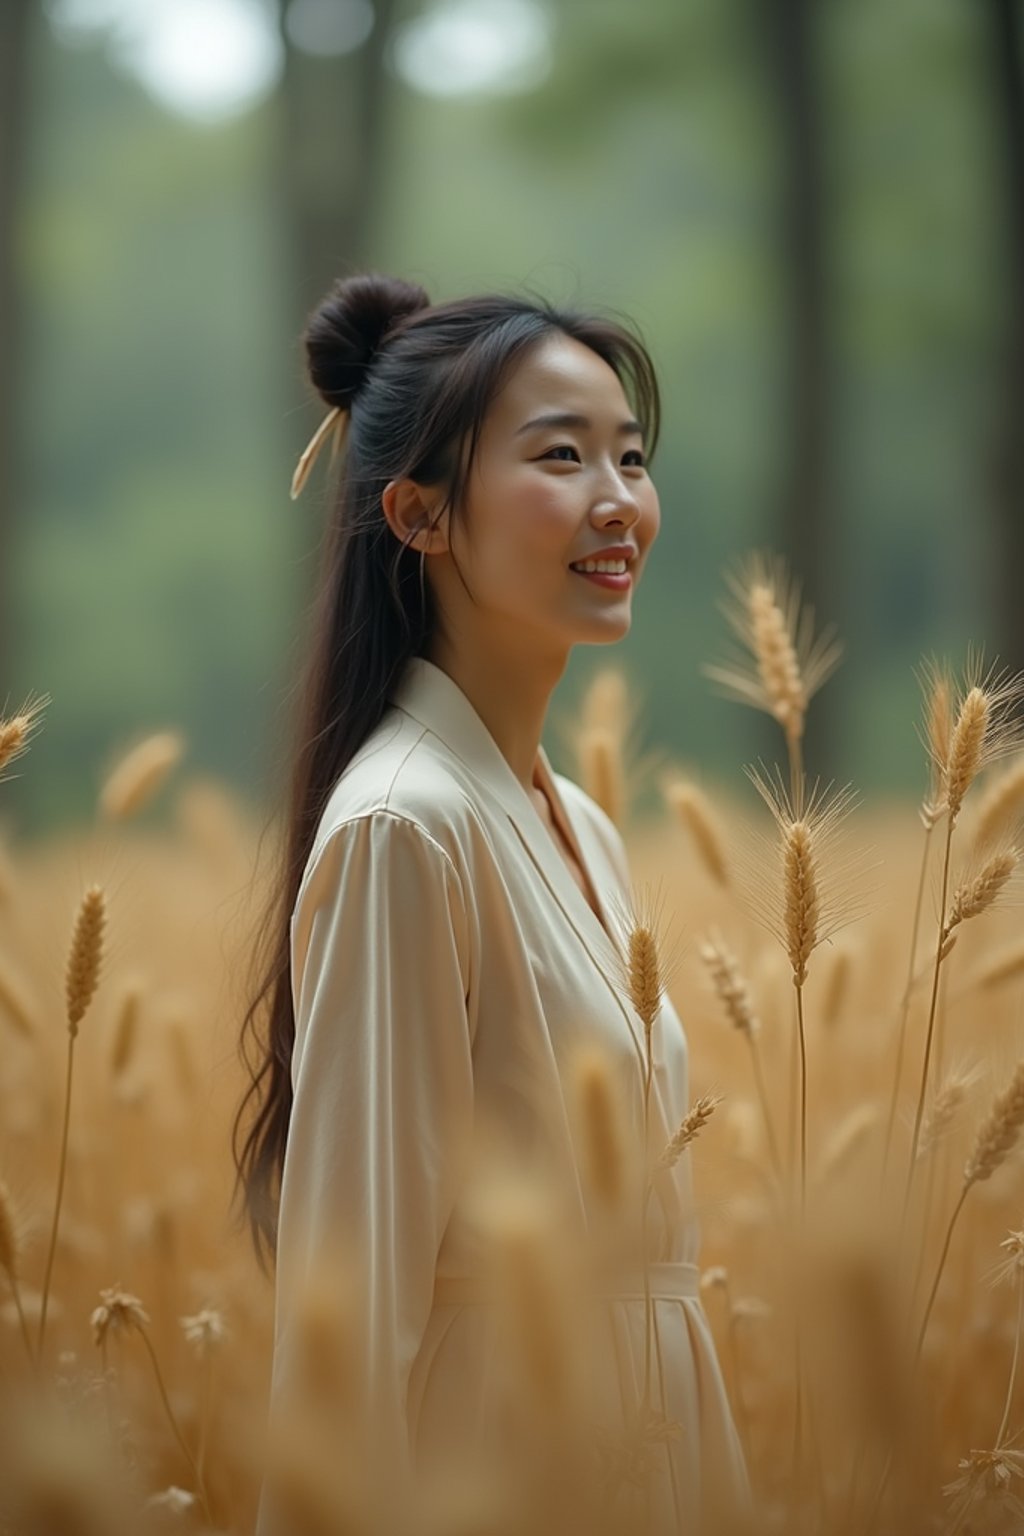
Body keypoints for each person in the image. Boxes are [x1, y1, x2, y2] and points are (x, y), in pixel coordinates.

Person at [233, 271, 750, 1535]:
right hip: (502, 1471)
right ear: (419, 514)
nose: (617, 501)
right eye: (560, 456)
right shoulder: (406, 828)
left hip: (649, 1450)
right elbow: (345, 1319)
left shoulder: (570, 817)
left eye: (630, 456)